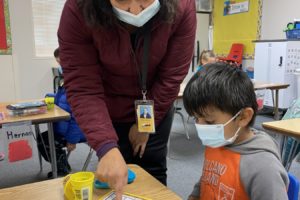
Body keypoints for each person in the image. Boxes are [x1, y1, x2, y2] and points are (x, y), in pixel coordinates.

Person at [58, 0, 196, 198]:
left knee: (153, 171)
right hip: (106, 111)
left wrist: (146, 125)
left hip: (156, 103)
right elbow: (83, 87)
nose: (134, 9)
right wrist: (105, 146)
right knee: (113, 176)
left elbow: (171, 77)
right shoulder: (79, 8)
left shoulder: (182, 6)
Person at [183, 63, 289, 200]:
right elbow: (208, 179)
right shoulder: (218, 141)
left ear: (243, 117)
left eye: (209, 122)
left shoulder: (263, 169)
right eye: (196, 118)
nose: (200, 126)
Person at [37, 48, 86, 178]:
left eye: (61, 63)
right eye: (58, 63)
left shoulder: (78, 82)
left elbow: (78, 116)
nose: (60, 67)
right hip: (64, 127)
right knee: (43, 137)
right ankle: (61, 162)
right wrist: (48, 97)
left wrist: (72, 139)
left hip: (76, 131)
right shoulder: (69, 79)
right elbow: (63, 99)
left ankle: (62, 167)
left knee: (45, 140)